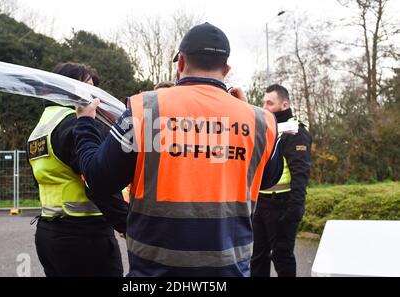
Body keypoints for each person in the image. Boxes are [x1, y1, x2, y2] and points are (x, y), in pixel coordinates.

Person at [73, 23, 283, 277]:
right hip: (229, 271)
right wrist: (245, 112)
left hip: (153, 273)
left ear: (180, 63)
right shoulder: (260, 121)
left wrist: (85, 123)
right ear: (226, 69)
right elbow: (270, 178)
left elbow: (98, 179)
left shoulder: (146, 110)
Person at [27, 62, 128, 277]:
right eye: (88, 88)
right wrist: (127, 225)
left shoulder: (42, 127)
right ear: (66, 89)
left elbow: (39, 179)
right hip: (85, 236)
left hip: (48, 232)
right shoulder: (76, 124)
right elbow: (97, 181)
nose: (94, 96)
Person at [251, 84, 312, 277]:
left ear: (284, 104)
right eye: (264, 102)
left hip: (282, 204)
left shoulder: (295, 131)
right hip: (260, 203)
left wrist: (295, 208)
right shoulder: (268, 128)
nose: (265, 106)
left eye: (270, 103)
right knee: (256, 256)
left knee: (282, 256)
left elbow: (300, 173)